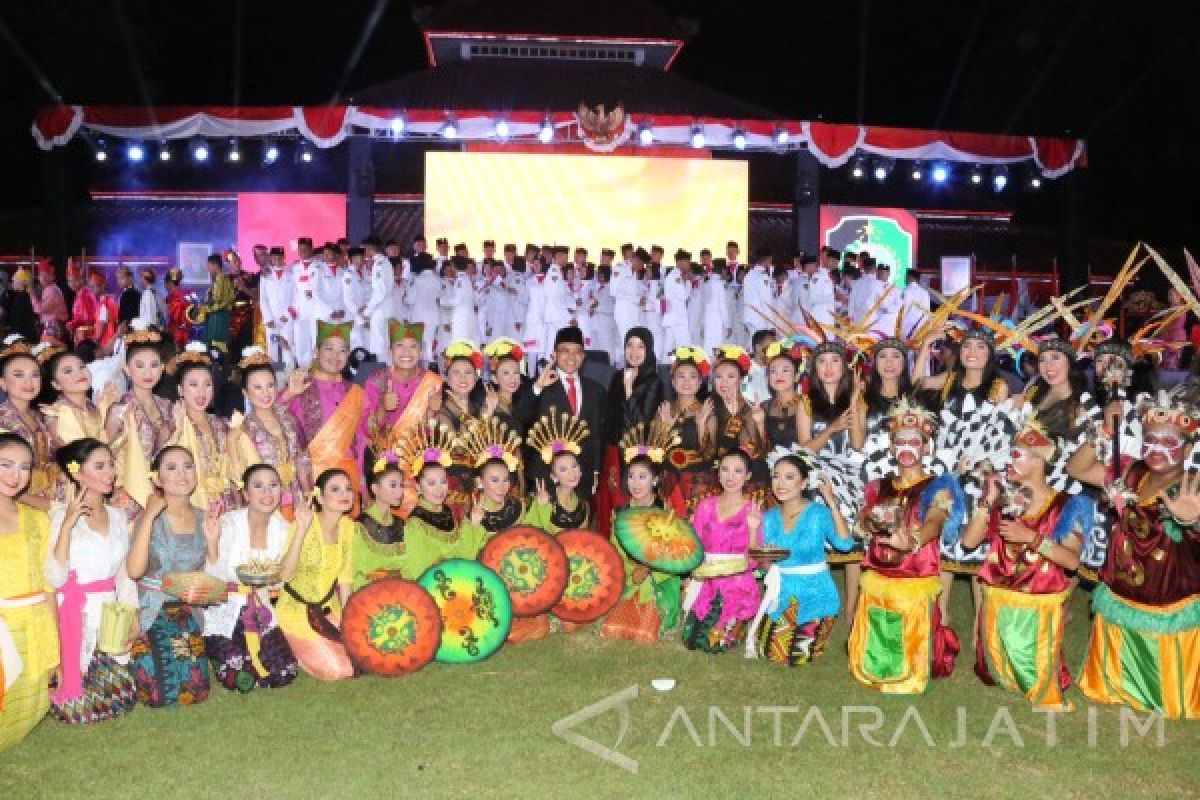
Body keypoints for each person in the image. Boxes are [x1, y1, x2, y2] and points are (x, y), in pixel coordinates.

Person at [1073, 389, 1200, 719]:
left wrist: (1193, 520)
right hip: (1125, 586)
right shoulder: (1130, 472)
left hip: (1168, 593)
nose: (1157, 449)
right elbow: (1077, 468)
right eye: (1151, 439)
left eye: (1168, 441)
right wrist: (1104, 429)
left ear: (1187, 449)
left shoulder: (1193, 486)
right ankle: (1115, 684)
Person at [955, 416, 1091, 710]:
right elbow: (968, 542)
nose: (1007, 461)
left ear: (1039, 461)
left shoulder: (1067, 505)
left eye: (1015, 455)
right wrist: (986, 501)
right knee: (996, 673)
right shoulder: (1006, 500)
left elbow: (1071, 561)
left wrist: (1033, 538)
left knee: (1033, 675)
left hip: (1037, 609)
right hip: (999, 607)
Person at [848, 398, 966, 695]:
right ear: (891, 447)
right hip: (879, 577)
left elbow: (936, 520)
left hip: (914, 578)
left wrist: (912, 540)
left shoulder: (940, 485)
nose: (907, 447)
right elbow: (863, 522)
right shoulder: (878, 486)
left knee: (909, 663)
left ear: (927, 447)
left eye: (915, 441)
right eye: (900, 441)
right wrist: (865, 525)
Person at [45, 439, 137, 724]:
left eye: (110, 465)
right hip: (75, 612)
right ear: (77, 473)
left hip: (110, 611)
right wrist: (68, 526)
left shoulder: (119, 516)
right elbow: (55, 578)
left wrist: (132, 615)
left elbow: (124, 575)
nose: (109, 473)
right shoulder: (60, 516)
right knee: (79, 709)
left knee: (122, 698)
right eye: (99, 466)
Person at [746, 448, 854, 664]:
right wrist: (752, 529)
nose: (780, 484)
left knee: (795, 656)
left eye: (789, 477)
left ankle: (819, 626)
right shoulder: (769, 517)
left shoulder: (818, 513)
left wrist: (831, 502)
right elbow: (759, 562)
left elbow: (845, 544)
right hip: (783, 593)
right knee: (770, 652)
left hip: (817, 595)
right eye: (776, 476)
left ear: (804, 483)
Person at [125, 446, 214, 707]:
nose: (182, 474)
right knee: (157, 695)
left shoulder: (203, 517)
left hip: (188, 610)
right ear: (157, 478)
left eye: (188, 466)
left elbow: (210, 571)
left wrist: (214, 543)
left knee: (196, 690)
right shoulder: (150, 516)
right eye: (171, 468)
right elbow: (134, 571)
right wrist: (150, 515)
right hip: (152, 610)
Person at [203, 464, 298, 692]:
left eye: (273, 486)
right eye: (258, 486)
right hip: (226, 607)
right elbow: (213, 577)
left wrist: (301, 530)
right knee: (237, 672)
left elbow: (280, 580)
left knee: (286, 672)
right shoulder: (228, 523)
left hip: (261, 608)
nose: (267, 493)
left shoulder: (283, 528)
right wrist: (212, 544)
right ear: (245, 494)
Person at [0, 432, 58, 751]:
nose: (14, 475)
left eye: (23, 467)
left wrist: (56, 648)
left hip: (34, 626)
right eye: (5, 465)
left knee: (30, 707)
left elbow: (48, 585)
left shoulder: (37, 520)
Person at [599, 422, 683, 644]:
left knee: (645, 634)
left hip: (657, 581)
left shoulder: (664, 514)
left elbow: (670, 557)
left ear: (655, 480)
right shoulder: (621, 513)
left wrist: (647, 571)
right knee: (611, 629)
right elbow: (614, 553)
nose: (635, 483)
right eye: (631, 476)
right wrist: (630, 574)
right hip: (627, 578)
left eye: (643, 477)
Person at [275, 468, 357, 682]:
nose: (345, 494)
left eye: (348, 488)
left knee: (362, 657)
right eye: (336, 489)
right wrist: (301, 529)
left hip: (330, 608)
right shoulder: (304, 524)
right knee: (339, 670)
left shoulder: (348, 527)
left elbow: (346, 578)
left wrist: (349, 619)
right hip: (297, 611)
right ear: (320, 496)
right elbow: (285, 575)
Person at [682, 450, 762, 653]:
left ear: (748, 476)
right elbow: (695, 546)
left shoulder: (752, 510)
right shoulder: (705, 506)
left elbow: (753, 561)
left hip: (737, 584)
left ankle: (739, 621)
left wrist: (753, 529)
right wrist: (690, 577)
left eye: (737, 471)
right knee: (691, 641)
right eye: (725, 470)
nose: (730, 477)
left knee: (714, 645)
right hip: (706, 580)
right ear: (718, 474)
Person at [360, 321, 443, 514]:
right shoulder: (376, 380)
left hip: (419, 469)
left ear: (421, 352)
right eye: (400, 346)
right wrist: (383, 407)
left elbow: (436, 434)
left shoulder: (432, 382)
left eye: (413, 346)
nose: (407, 352)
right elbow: (366, 430)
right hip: (385, 468)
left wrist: (432, 413)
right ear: (390, 350)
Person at [516, 326, 606, 500]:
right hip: (545, 476)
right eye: (565, 351)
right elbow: (521, 416)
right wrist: (537, 388)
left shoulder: (596, 390)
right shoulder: (539, 384)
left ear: (583, 357)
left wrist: (595, 470)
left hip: (581, 476)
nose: (571, 357)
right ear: (554, 355)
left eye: (577, 352)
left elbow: (597, 433)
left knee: (579, 525)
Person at [285, 321, 365, 514]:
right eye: (329, 349)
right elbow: (275, 422)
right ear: (316, 351)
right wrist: (288, 395)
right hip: (312, 479)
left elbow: (362, 440)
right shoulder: (301, 387)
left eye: (342, 350)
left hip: (349, 480)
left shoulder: (355, 393)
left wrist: (362, 483)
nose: (335, 356)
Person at [230, 347, 312, 520]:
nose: (266, 393)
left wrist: (307, 493)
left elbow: (301, 458)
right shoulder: (243, 428)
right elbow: (239, 474)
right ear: (245, 393)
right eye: (257, 387)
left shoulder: (287, 418)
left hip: (295, 495)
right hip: (265, 501)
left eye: (270, 385)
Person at [396, 423, 485, 578]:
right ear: (418, 487)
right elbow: (418, 571)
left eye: (443, 481)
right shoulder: (416, 524)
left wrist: (474, 524)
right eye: (431, 483)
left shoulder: (447, 512)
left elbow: (464, 556)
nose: (439, 489)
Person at [597, 328, 664, 534]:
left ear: (649, 350)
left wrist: (629, 391)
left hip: (636, 455)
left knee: (629, 503)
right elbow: (607, 417)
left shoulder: (654, 381)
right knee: (610, 504)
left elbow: (640, 422)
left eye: (640, 346)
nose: (634, 352)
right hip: (612, 452)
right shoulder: (617, 376)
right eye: (629, 345)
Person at [104, 326, 174, 512]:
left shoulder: (167, 406)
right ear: (127, 370)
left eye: (154, 365)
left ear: (162, 369)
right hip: (129, 489)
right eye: (139, 365)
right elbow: (108, 450)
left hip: (163, 489)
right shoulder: (120, 408)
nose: (147, 372)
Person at [167, 343, 240, 514]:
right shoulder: (173, 424)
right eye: (193, 385)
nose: (201, 392)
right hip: (193, 506)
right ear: (180, 390)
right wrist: (177, 431)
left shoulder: (220, 423)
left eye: (207, 385)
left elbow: (233, 467)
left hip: (226, 505)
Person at [0, 336, 57, 511]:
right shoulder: (2, 417)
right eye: (18, 375)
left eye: (35, 375)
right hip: (13, 499)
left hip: (47, 493)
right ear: (2, 382)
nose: (29, 382)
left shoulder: (41, 415)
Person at [659, 347, 717, 516]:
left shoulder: (706, 412)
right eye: (681, 376)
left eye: (693, 377)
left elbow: (710, 455)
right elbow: (655, 452)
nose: (686, 382)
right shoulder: (665, 409)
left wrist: (700, 425)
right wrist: (666, 428)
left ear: (700, 383)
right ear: (673, 381)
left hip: (698, 484)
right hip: (670, 481)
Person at [523, 412, 593, 533]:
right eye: (563, 469)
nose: (571, 473)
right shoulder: (544, 500)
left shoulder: (583, 504)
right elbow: (530, 536)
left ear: (581, 470)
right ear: (553, 476)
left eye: (574, 466)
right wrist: (541, 508)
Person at [458, 417, 526, 541]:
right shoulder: (471, 517)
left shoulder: (518, 507)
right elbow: (465, 555)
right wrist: (474, 527)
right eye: (495, 480)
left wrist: (542, 507)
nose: (502, 487)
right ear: (479, 482)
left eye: (505, 480)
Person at [37, 343, 114, 450]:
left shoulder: (92, 405)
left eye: (82, 367)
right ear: (56, 384)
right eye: (68, 371)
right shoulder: (56, 413)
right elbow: (73, 454)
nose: (79, 373)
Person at [351, 455, 409, 589]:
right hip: (371, 597)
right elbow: (356, 574)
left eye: (401, 485)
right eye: (393, 485)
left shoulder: (401, 524)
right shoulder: (359, 526)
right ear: (375, 489)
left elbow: (409, 566)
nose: (399, 491)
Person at [259, 247, 294, 368]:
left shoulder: (292, 273)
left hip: (287, 319)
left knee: (288, 346)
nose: (277, 260)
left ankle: (289, 374)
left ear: (284, 257)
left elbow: (296, 296)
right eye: (274, 257)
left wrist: (288, 315)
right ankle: (272, 376)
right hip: (272, 320)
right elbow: (263, 298)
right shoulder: (265, 275)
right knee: (272, 348)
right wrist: (268, 318)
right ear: (271, 258)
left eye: (280, 257)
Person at [200, 255, 235, 355]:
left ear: (215, 265)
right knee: (217, 345)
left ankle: (220, 368)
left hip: (218, 316)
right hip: (218, 315)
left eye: (209, 266)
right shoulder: (221, 279)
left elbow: (218, 300)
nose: (208, 269)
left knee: (217, 345)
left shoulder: (221, 279)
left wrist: (206, 308)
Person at [661, 250, 693, 354]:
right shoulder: (675, 277)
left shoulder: (677, 276)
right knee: (684, 347)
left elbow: (686, 295)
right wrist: (687, 281)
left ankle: (667, 368)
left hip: (674, 318)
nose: (689, 265)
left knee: (670, 348)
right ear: (679, 262)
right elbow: (684, 296)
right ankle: (676, 368)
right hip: (677, 319)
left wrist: (687, 281)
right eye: (687, 262)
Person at [30, 261, 69, 343]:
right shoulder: (50, 289)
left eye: (46, 275)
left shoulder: (51, 290)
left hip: (52, 324)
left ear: (53, 277)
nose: (43, 278)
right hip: (53, 324)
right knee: (49, 351)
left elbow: (39, 309)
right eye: (41, 275)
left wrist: (32, 295)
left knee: (48, 351)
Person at [2, 270, 39, 344]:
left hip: (21, 336)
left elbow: (18, 319)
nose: (12, 283)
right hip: (26, 334)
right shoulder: (25, 295)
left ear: (21, 282)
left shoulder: (21, 298)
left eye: (14, 281)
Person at [163, 268, 191, 351]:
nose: (165, 286)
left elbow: (174, 317)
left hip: (176, 334)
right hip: (181, 333)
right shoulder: (181, 295)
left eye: (165, 283)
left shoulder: (176, 297)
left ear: (170, 283)